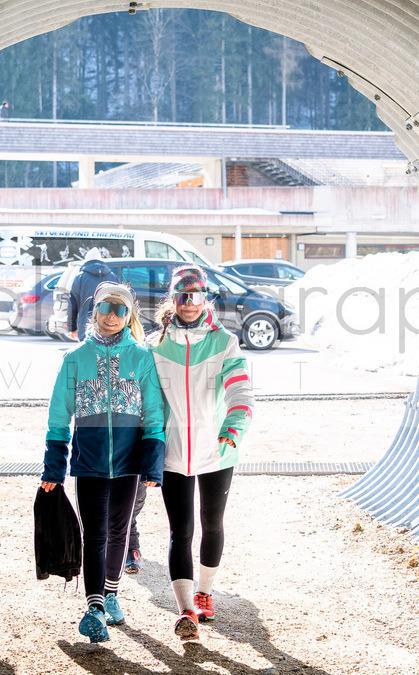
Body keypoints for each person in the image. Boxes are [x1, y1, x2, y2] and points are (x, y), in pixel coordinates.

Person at [40, 283, 166, 644]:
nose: (112, 315)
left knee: (118, 532)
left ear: (129, 316)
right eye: (106, 307)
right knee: (93, 533)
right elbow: (59, 416)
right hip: (89, 461)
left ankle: (111, 594)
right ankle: (93, 606)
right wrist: (54, 467)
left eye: (120, 309)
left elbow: (154, 413)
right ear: (94, 311)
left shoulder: (141, 357)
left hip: (129, 463)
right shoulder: (75, 358)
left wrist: (152, 463)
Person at [149, 265, 254, 642]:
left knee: (212, 523)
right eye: (181, 296)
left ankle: (205, 592)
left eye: (195, 296)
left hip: (217, 450)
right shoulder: (156, 345)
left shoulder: (224, 342)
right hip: (173, 453)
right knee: (181, 531)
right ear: (172, 299)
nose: (189, 304)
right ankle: (185, 610)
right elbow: (150, 401)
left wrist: (234, 428)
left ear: (205, 297)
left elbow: (241, 390)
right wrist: (150, 442)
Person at [68, 248, 117, 342]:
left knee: (86, 353)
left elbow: (73, 304)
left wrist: (72, 328)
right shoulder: (113, 276)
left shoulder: (80, 277)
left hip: (86, 324)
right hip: (110, 324)